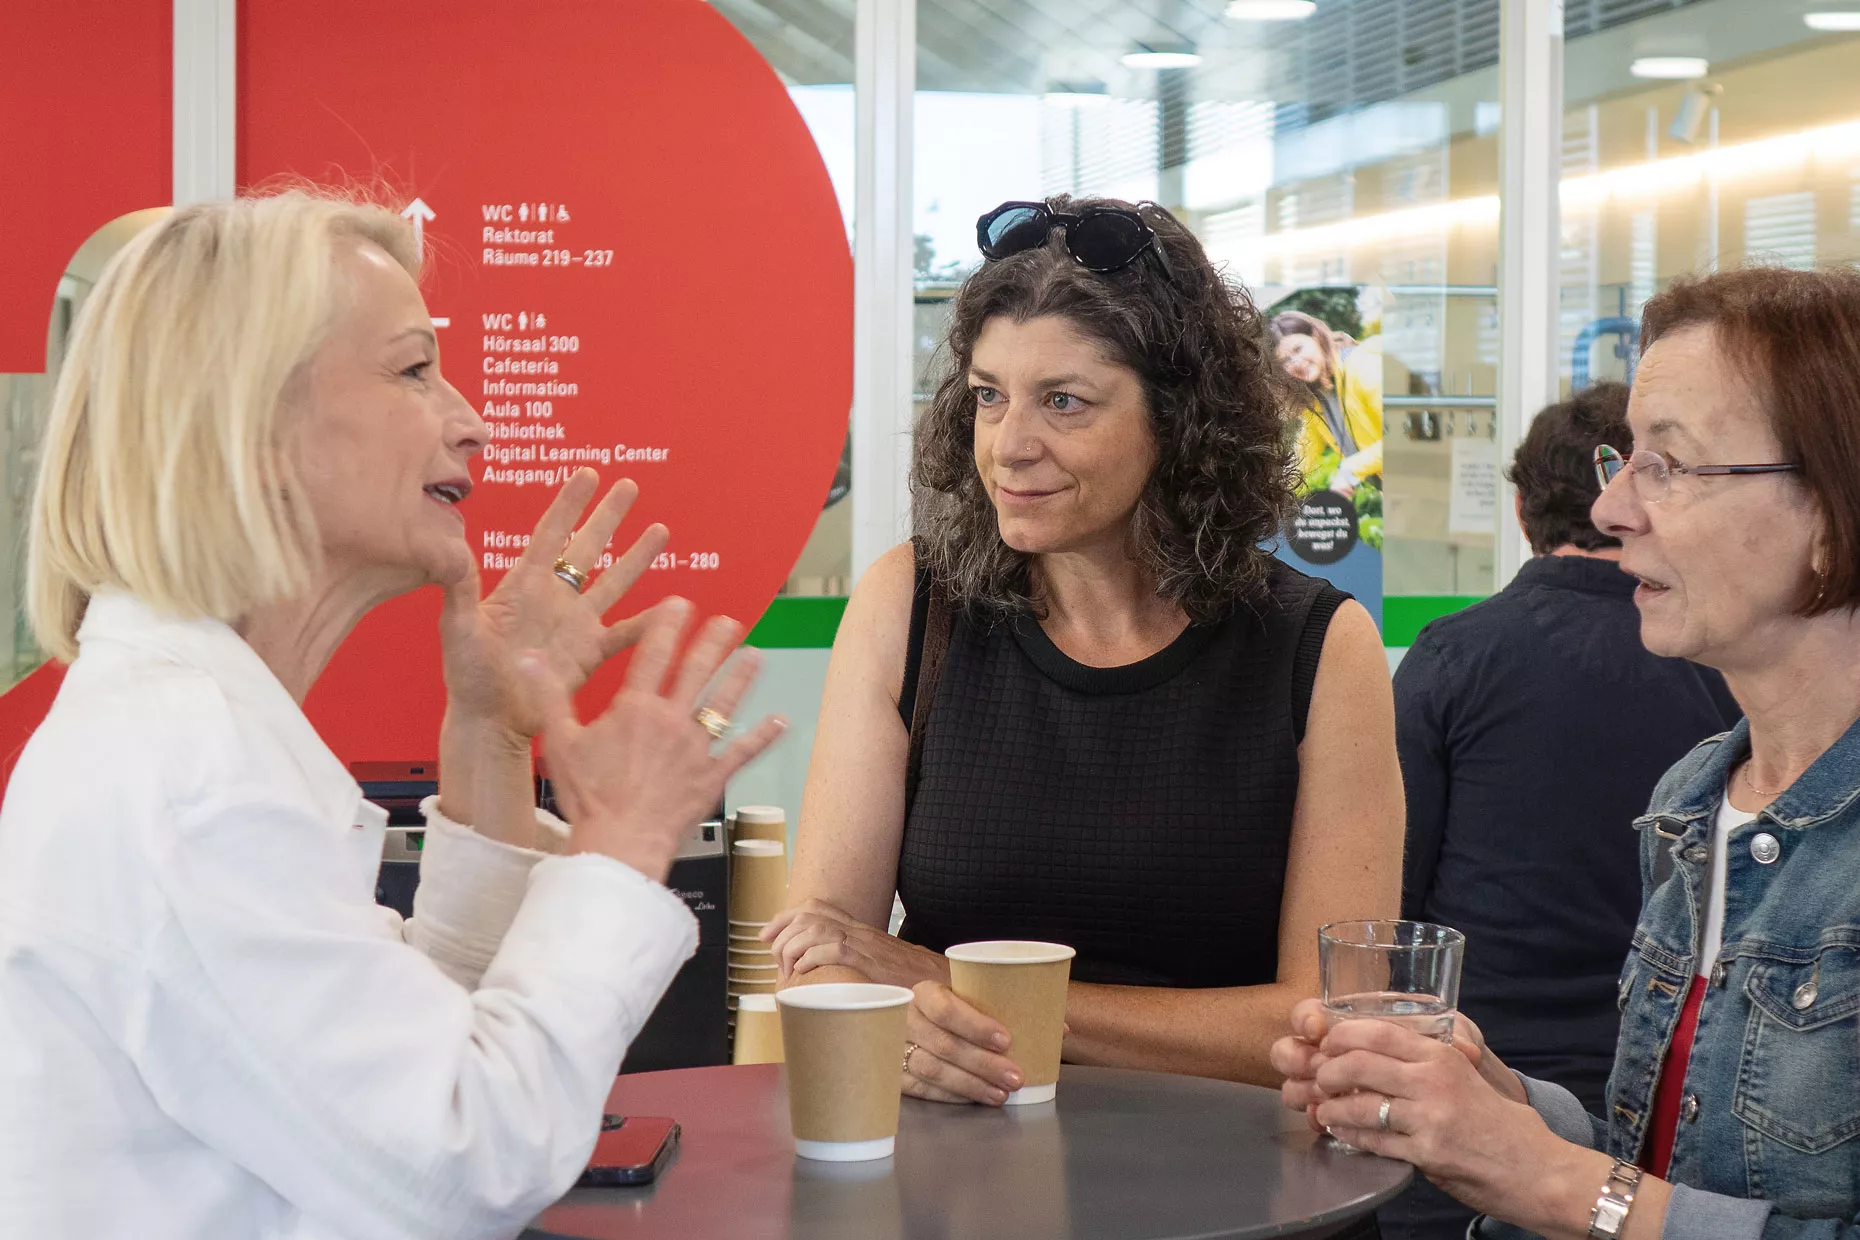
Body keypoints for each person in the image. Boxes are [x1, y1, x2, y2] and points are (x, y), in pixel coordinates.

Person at [0, 190, 784, 1239]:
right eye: (415, 369)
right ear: (253, 419)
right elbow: (465, 1157)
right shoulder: (185, 778)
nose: (472, 419)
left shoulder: (193, 735)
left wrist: (490, 738)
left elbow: (405, 1060)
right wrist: (623, 843)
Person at [768, 195, 1403, 1109]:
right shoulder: (910, 604)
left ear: (1180, 424)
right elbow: (821, 955)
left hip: (1240, 1193)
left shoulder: (1316, 646)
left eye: (1063, 403)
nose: (1009, 447)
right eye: (990, 397)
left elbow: (1333, 1020)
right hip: (963, 1187)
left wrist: (943, 982)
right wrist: (887, 1023)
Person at [1274, 265, 1860, 1240]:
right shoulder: (1695, 796)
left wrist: (1548, 1179)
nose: (1614, 512)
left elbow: (1607, 1199)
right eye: (1623, 463)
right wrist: (1494, 1108)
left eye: (1669, 465)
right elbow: (1667, 1166)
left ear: (1834, 520)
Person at [1380, 383, 1739, 1240]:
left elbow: (1388, 901)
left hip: (1465, 1110)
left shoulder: (1450, 656)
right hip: (1671, 1140)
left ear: (1517, 509)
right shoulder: (1726, 675)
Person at [1274, 309, 1383, 498]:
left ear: (1316, 336)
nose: (1296, 362)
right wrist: (1272, 490)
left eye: (1298, 349)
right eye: (1286, 360)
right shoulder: (1317, 401)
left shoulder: (1364, 367)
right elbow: (1304, 454)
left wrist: (1351, 470)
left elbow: (1406, 436)